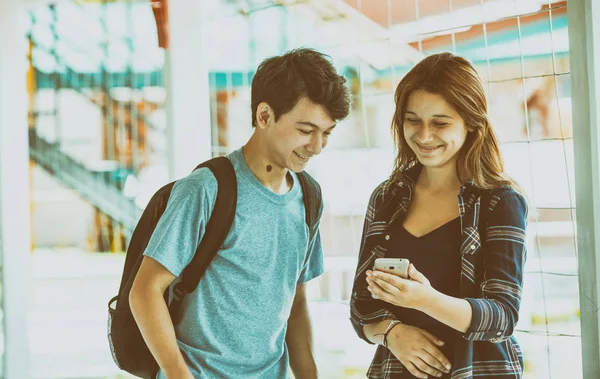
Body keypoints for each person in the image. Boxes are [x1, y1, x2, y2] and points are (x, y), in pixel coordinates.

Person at [129, 48, 351, 379]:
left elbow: (296, 301)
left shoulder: (309, 197)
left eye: (327, 133)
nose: (317, 146)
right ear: (264, 116)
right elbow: (145, 290)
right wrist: (177, 373)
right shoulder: (206, 189)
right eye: (306, 130)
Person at [350, 52, 528, 379]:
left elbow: (502, 318)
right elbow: (361, 306)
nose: (424, 136)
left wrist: (426, 300)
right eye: (413, 120)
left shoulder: (500, 201)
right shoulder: (387, 197)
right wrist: (392, 334)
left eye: (440, 123)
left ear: (472, 122)